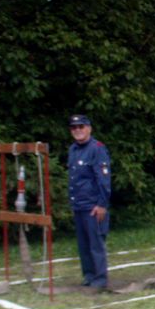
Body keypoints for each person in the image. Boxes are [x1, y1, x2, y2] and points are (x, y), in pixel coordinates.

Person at [67, 115, 111, 290]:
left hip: (93, 205)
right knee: (83, 245)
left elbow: (103, 180)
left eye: (81, 126)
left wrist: (101, 204)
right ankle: (89, 275)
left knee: (96, 244)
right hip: (79, 204)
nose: (78, 130)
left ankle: (100, 279)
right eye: (74, 128)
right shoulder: (73, 149)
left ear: (89, 128)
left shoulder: (97, 149)